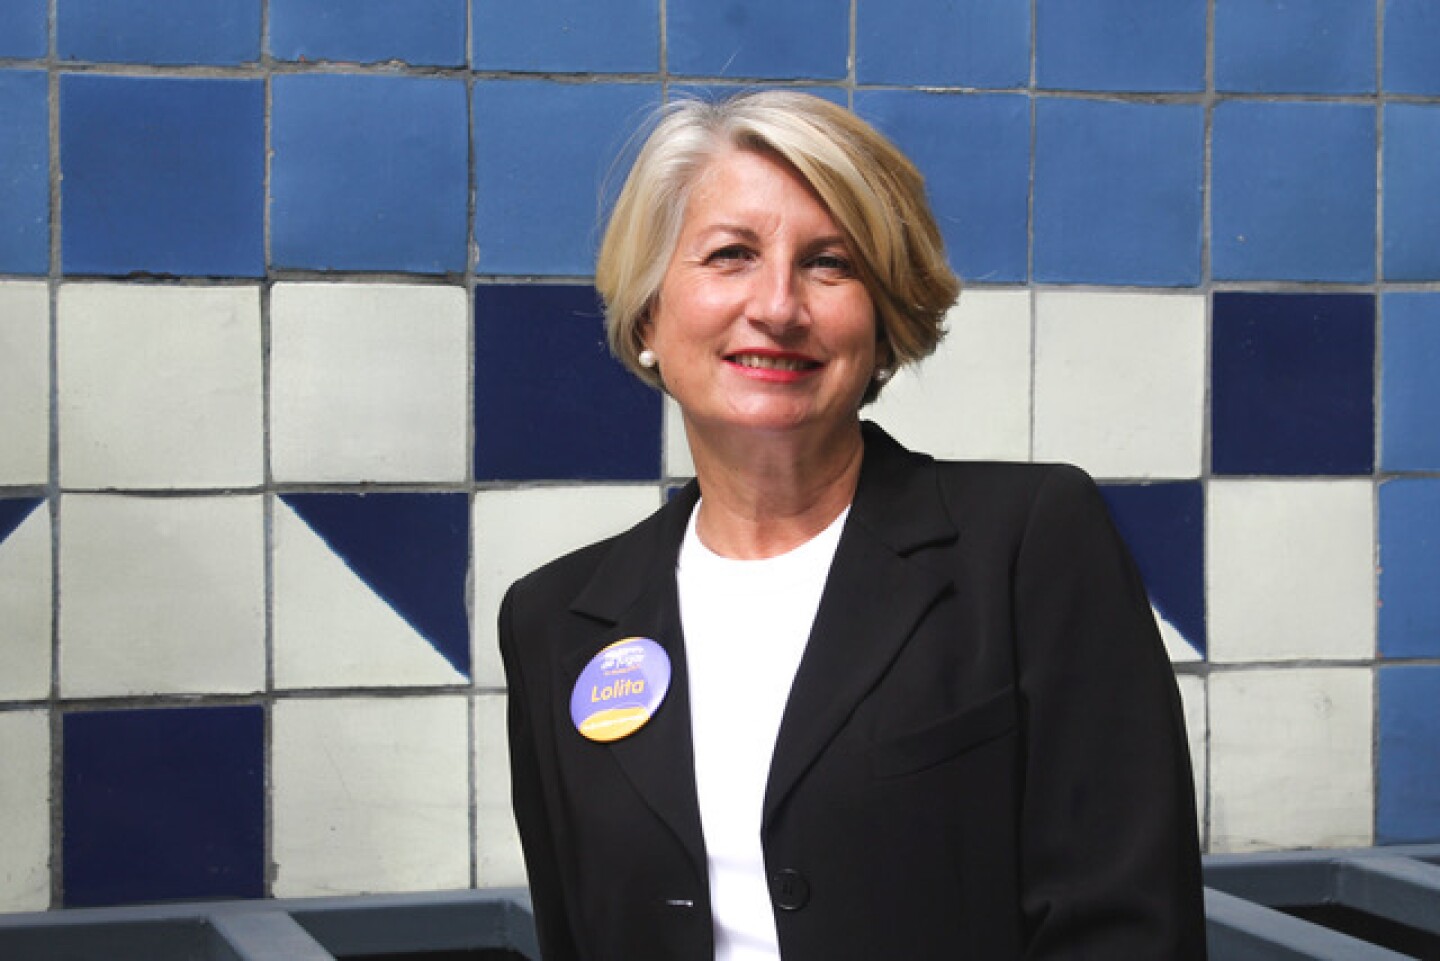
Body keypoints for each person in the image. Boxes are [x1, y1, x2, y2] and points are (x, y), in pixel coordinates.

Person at [499, 90, 1207, 961]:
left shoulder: (1030, 544)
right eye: (730, 254)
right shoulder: (554, 622)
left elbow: (1128, 931)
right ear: (649, 315)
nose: (780, 306)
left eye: (829, 264)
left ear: (883, 324)